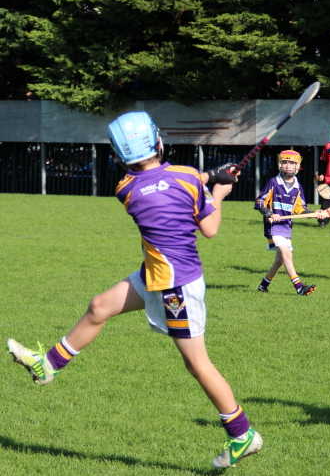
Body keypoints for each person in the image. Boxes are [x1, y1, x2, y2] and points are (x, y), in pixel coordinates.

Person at [7, 112, 262, 470]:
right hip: (166, 278)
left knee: (195, 362)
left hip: (171, 282)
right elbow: (210, 228)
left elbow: (165, 183)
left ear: (118, 153)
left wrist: (209, 179)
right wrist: (218, 191)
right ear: (157, 140)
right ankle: (48, 365)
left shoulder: (126, 190)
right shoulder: (187, 178)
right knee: (101, 307)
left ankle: (242, 434)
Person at [255, 149, 326, 294]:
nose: (288, 166)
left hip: (286, 227)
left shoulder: (297, 187)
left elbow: (301, 210)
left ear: (297, 166)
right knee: (288, 255)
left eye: (292, 163)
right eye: (285, 162)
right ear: (280, 164)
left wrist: (314, 213)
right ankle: (299, 287)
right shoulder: (273, 183)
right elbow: (259, 202)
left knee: (280, 260)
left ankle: (263, 286)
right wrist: (270, 213)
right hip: (273, 227)